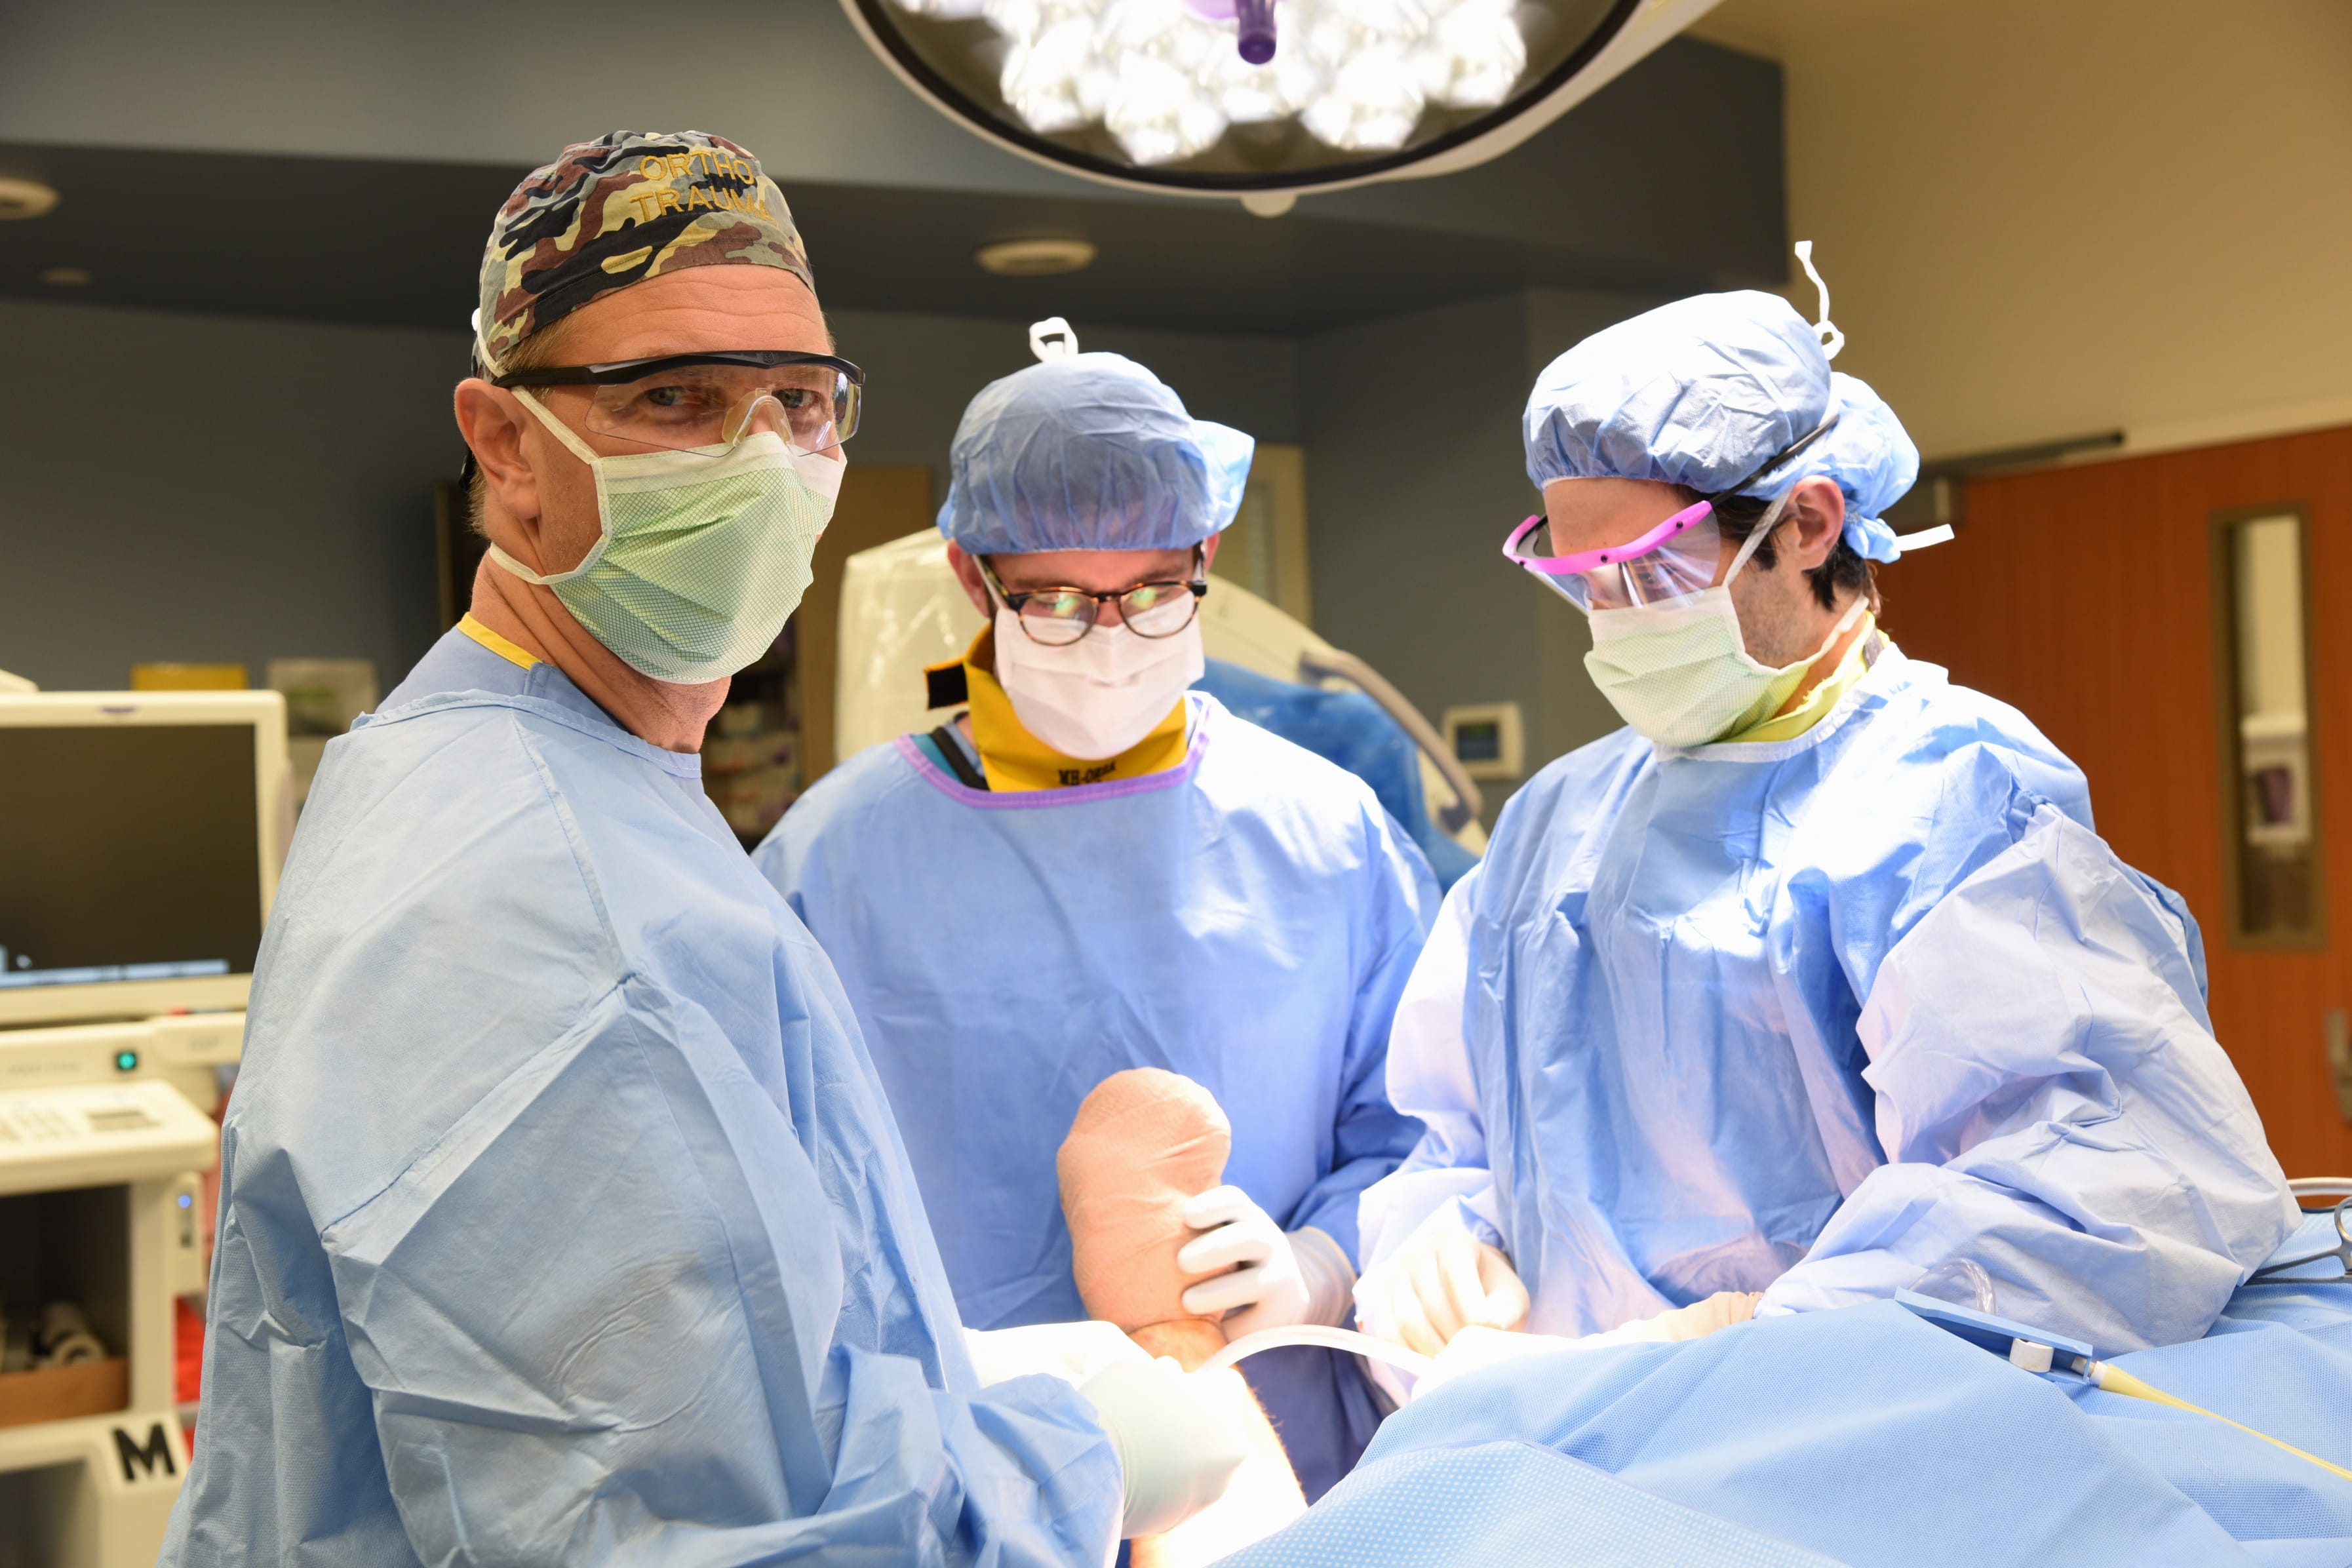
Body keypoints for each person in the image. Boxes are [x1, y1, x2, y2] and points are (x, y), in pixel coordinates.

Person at [161, 132, 1247, 1567]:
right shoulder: (548, 898)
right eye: (673, 399)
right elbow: (740, 1538)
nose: (764, 463)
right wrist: (1073, 1467)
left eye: (802, 402)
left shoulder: (510, 759)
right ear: (504, 443)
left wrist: (951, 1393)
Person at [1352, 280, 2296, 1365]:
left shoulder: (1948, 804)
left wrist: (1746, 1340)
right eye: (1580, 580)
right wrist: (1443, 1234)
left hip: (1847, 1456)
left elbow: (2097, 1195)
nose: (1614, 620)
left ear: (1805, 524)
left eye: (1649, 569)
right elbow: (1457, 1135)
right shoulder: (1549, 829)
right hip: (1583, 1456)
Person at [755, 340, 1438, 1499]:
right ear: (974, 580)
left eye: (1156, 591)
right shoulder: (832, 864)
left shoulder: (1326, 832)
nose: (1112, 638)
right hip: (970, 1468)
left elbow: (1427, 1123)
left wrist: (1322, 1263)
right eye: (1059, 601)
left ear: (1207, 556)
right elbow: (772, 1201)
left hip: (1278, 1460)